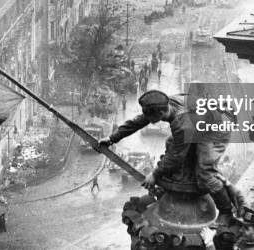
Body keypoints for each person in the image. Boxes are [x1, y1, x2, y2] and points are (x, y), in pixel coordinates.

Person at [97, 90, 242, 226]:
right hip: (202, 120)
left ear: (161, 112)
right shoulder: (164, 103)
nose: (148, 120)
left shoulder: (182, 123)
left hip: (219, 125)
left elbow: (177, 156)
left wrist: (155, 174)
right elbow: (138, 122)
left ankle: (226, 212)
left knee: (205, 173)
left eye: (150, 117)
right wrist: (111, 139)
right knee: (171, 142)